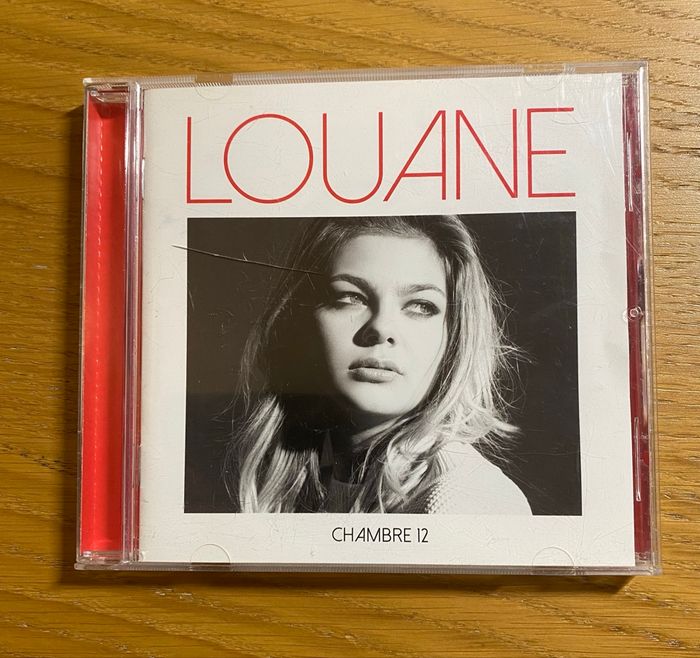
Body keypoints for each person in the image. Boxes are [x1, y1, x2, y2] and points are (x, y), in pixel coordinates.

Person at [225, 215, 531, 514]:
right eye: (350, 297)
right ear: (300, 321)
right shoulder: (305, 477)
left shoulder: (462, 500)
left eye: (421, 305)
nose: (381, 328)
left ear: (456, 337)